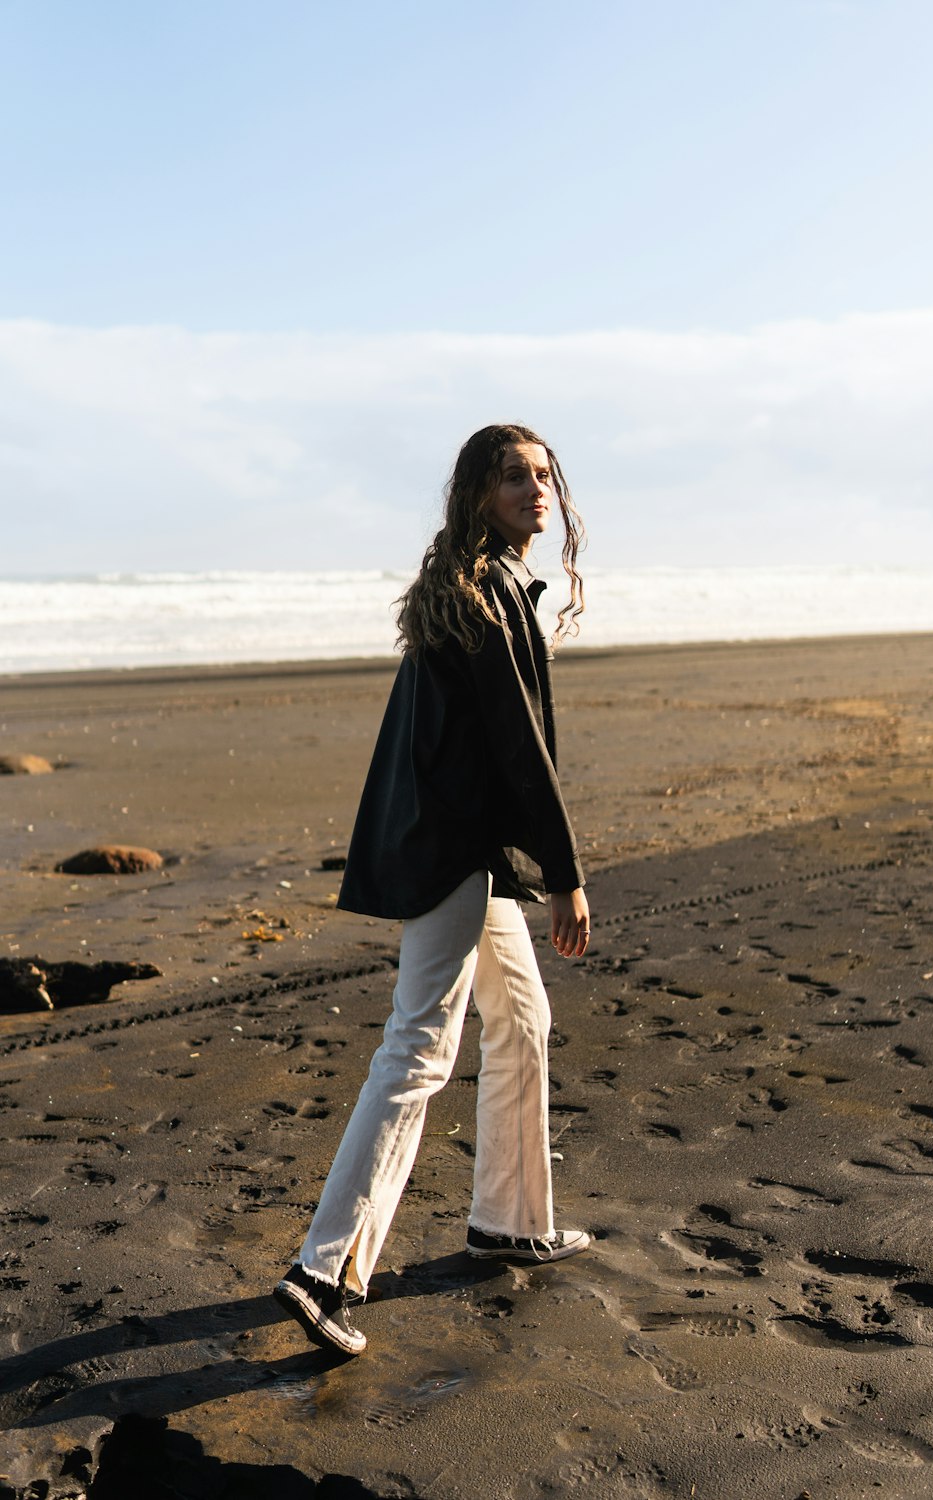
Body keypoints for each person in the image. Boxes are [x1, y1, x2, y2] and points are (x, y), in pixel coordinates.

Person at [274, 423, 592, 1355]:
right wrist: (566, 876)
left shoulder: (475, 589)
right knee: (417, 1049)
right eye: (512, 478)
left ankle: (508, 1219)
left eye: (544, 476)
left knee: (523, 1018)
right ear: (476, 496)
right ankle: (323, 1269)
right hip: (455, 852)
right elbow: (520, 754)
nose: (536, 491)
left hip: (462, 848)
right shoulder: (486, 598)